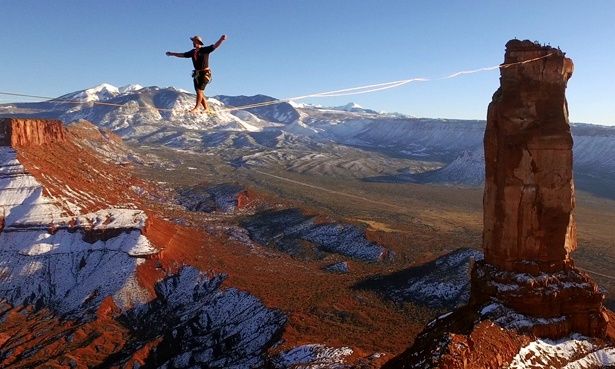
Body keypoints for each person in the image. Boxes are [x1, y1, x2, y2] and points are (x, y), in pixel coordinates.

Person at [166, 34, 227, 113]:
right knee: (199, 91)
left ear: (199, 42)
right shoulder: (192, 52)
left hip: (205, 74)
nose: (193, 43)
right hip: (197, 74)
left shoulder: (205, 50)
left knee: (199, 90)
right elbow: (182, 55)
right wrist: (172, 54)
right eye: (193, 42)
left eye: (195, 41)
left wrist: (221, 39)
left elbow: (215, 46)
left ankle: (197, 108)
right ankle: (206, 108)